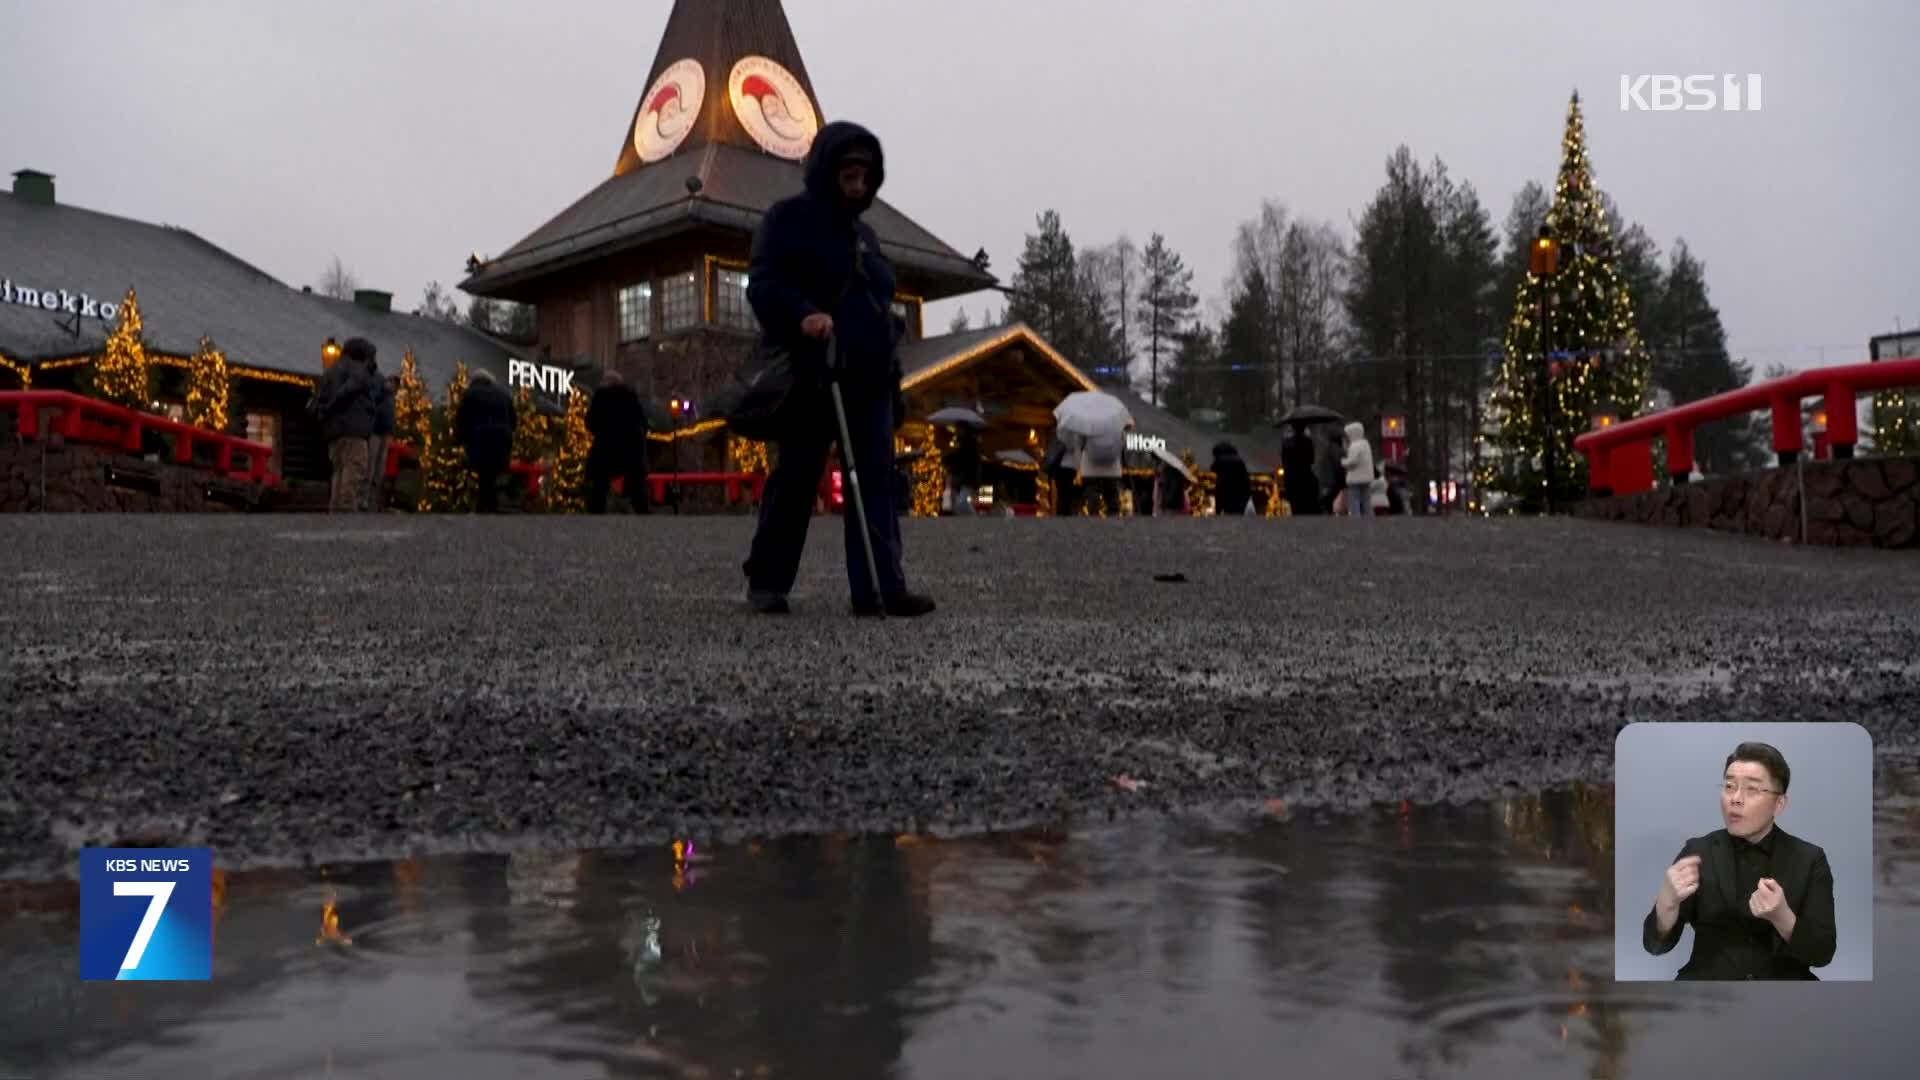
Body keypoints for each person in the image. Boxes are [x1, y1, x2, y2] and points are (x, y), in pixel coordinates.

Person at [739, 120, 935, 618]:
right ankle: (767, 581)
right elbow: (762, 284)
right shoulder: (788, 220)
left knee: (875, 481)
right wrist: (802, 315)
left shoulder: (865, 236)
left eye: (865, 173)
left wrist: (892, 367)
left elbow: (879, 299)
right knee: (798, 479)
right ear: (828, 170)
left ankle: (880, 588)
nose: (857, 180)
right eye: (848, 170)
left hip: (870, 380)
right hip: (813, 373)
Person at [1642, 741, 1838, 980]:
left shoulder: (1810, 859)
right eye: (1729, 786)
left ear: (1779, 804)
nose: (1735, 798)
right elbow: (1654, 947)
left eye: (1752, 789)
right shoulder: (1698, 851)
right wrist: (1666, 905)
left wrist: (1783, 917)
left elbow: (1823, 954)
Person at [311, 337, 379, 513]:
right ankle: (346, 510)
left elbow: (319, 399)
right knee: (355, 468)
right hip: (354, 429)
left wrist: (326, 412)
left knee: (339, 471)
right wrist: (335, 405)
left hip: (335, 431)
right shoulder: (358, 370)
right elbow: (348, 390)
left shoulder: (331, 370)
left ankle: (336, 510)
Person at [585, 370, 651, 514]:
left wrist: (601, 432)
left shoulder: (600, 397)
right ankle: (644, 514)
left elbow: (590, 422)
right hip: (630, 449)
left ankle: (594, 515)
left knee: (600, 485)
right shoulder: (630, 396)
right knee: (636, 486)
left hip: (606, 447)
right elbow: (642, 421)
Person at [456, 369, 516, 514]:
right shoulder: (504, 395)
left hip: (480, 439)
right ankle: (488, 506)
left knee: (485, 473)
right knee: (490, 474)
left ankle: (486, 507)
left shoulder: (470, 395)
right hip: (502, 439)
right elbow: (513, 420)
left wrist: (461, 439)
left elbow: (462, 420)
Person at [362, 371, 396, 512]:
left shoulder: (391, 398)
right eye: (392, 381)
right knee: (370, 463)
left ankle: (374, 501)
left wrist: (392, 430)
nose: (393, 385)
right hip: (375, 431)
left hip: (386, 433)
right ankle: (364, 497)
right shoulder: (379, 393)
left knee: (380, 467)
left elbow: (391, 416)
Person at [1076, 428, 1124, 517]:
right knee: (1112, 500)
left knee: (1093, 498)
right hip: (1110, 466)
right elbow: (1121, 441)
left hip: (1090, 466)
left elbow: (1079, 442)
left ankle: (1095, 524)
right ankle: (1114, 525)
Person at [1281, 424, 1319, 516]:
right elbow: (1312, 459)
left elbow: (1284, 461)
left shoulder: (1286, 442)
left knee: (1295, 506)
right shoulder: (1308, 441)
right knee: (1307, 506)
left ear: (1293, 429)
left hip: (1292, 477)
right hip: (1306, 476)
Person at [1340, 421, 1374, 519]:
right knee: (1366, 499)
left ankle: (1356, 519)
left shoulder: (1355, 445)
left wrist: (1343, 462)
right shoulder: (1365, 444)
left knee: (1354, 499)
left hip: (1355, 478)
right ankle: (1369, 517)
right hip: (1367, 477)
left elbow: (1352, 462)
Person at [944, 424, 981, 515]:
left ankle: (974, 519)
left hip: (967, 478)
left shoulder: (967, 444)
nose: (956, 430)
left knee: (960, 503)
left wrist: (951, 455)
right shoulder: (963, 443)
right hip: (964, 478)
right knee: (958, 503)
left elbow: (962, 460)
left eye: (958, 429)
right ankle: (970, 519)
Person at [1209, 441, 1251, 517]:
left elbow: (1212, 473)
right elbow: (1245, 477)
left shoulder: (1219, 460)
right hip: (1240, 491)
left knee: (1227, 511)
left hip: (1224, 490)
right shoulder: (1239, 460)